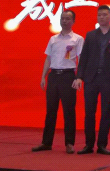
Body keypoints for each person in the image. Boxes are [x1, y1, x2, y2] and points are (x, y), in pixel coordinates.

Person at [73, 5, 110, 155]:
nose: (101, 17)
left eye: (104, 15)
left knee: (106, 111)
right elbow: (84, 57)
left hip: (108, 78)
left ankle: (102, 144)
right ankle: (88, 144)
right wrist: (79, 76)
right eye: (99, 15)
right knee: (89, 112)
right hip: (91, 78)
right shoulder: (90, 35)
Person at [32, 10, 84, 154]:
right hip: (53, 76)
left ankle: (69, 143)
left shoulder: (78, 39)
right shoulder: (53, 39)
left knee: (69, 111)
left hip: (68, 76)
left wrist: (78, 77)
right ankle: (46, 142)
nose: (64, 21)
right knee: (50, 111)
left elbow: (81, 60)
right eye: (62, 18)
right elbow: (48, 58)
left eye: (67, 19)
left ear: (73, 21)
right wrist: (43, 77)